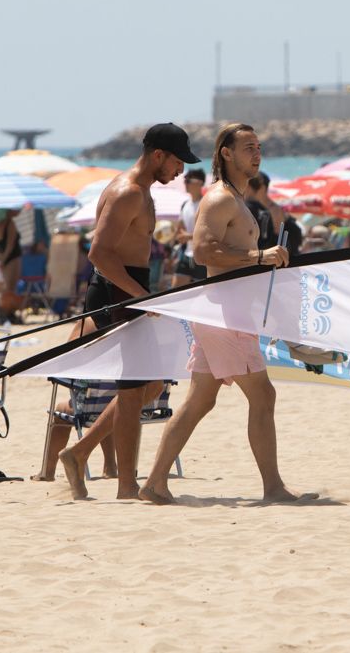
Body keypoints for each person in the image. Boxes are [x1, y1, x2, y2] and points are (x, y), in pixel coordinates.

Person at [139, 123, 313, 506]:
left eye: (259, 146)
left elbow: (228, 252)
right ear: (226, 154)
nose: (257, 153)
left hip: (223, 311)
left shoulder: (237, 199)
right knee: (263, 395)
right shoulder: (220, 199)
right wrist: (259, 256)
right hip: (224, 313)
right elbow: (202, 252)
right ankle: (273, 487)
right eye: (248, 147)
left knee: (201, 400)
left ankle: (154, 483)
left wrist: (265, 258)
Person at [59, 122, 200, 500]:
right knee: (138, 386)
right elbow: (99, 253)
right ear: (158, 155)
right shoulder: (128, 193)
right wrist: (140, 296)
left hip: (123, 289)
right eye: (177, 162)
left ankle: (80, 451)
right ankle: (125, 486)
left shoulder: (139, 190)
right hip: (115, 292)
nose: (181, 171)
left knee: (149, 385)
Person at [30, 317, 118, 482]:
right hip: (137, 407)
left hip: (96, 406)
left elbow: (66, 362)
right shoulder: (137, 322)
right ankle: (110, 466)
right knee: (108, 400)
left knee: (61, 410)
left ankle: (47, 472)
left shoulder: (88, 323)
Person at [172, 169, 208, 287]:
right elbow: (179, 230)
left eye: (188, 181)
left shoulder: (206, 204)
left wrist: (188, 236)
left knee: (202, 296)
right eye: (185, 180)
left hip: (202, 257)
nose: (185, 183)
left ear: (200, 183)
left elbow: (211, 233)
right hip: (186, 255)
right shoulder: (185, 204)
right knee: (174, 292)